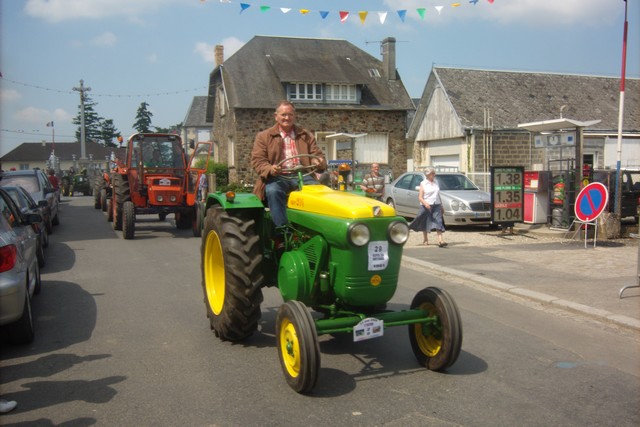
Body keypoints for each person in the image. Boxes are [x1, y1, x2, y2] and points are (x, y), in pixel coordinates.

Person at [251, 100, 326, 227]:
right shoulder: (264, 136)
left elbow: (317, 155)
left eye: (290, 114)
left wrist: (317, 161)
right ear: (276, 116)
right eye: (283, 115)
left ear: (295, 116)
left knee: (318, 193)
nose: (287, 118)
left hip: (302, 175)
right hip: (277, 176)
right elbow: (258, 160)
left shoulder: (305, 135)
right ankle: (282, 229)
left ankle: (316, 227)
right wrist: (270, 168)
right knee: (274, 191)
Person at [409, 167, 447, 247]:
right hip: (426, 205)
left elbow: (438, 194)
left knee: (438, 221)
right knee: (424, 221)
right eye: (432, 173)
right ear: (428, 175)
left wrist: (441, 205)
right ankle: (425, 239)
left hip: (436, 204)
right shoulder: (423, 183)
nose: (434, 175)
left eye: (434, 173)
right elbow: (420, 197)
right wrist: (425, 203)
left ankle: (440, 240)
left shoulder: (436, 182)